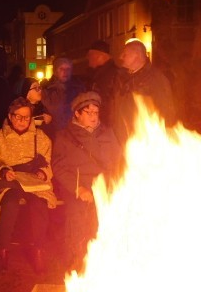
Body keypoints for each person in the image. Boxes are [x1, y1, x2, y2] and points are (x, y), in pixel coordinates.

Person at [51, 91, 121, 272]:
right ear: (77, 114)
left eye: (95, 112)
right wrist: (79, 188)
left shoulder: (108, 133)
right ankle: (77, 261)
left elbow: (117, 162)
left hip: (103, 185)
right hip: (76, 185)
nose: (93, 117)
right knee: (77, 216)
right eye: (88, 113)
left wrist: (108, 186)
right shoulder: (65, 136)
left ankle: (109, 260)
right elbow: (59, 167)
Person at [0, 97, 57, 274]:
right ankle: (3, 249)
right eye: (18, 117)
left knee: (38, 205)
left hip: (33, 182)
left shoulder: (39, 137)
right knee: (10, 203)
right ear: (10, 116)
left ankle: (38, 250)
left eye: (26, 117)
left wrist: (42, 173)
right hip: (10, 182)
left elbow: (48, 162)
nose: (22, 121)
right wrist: (3, 171)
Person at [110, 39, 176, 145]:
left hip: (143, 143)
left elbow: (166, 112)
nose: (120, 57)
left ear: (136, 55)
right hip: (121, 140)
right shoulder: (120, 78)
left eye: (125, 54)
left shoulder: (156, 80)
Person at [41, 58, 85, 140]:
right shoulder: (47, 91)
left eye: (68, 69)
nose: (65, 72)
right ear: (55, 71)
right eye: (61, 69)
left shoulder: (79, 89)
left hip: (75, 136)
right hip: (54, 136)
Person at [88, 40, 118, 125]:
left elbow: (113, 104)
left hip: (107, 124)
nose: (88, 58)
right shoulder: (96, 74)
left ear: (100, 56)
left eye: (91, 55)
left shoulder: (114, 74)